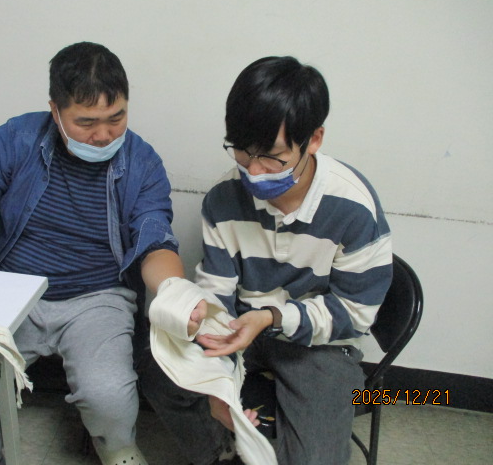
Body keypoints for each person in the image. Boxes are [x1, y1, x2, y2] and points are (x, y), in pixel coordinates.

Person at [0, 42, 206, 465]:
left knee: (108, 395)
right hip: (15, 288)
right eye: (86, 122)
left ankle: (117, 449)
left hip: (97, 296)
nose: (103, 135)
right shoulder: (17, 138)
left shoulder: (142, 162)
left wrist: (176, 294)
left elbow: (154, 241)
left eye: (116, 118)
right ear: (55, 110)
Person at [141, 56, 393, 465]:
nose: (254, 172)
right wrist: (216, 382)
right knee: (158, 370)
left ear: (313, 139)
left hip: (319, 346)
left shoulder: (353, 208)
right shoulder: (224, 199)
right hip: (240, 329)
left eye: (273, 157)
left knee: (317, 458)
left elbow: (355, 313)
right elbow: (217, 295)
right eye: (242, 152)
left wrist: (273, 318)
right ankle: (221, 451)